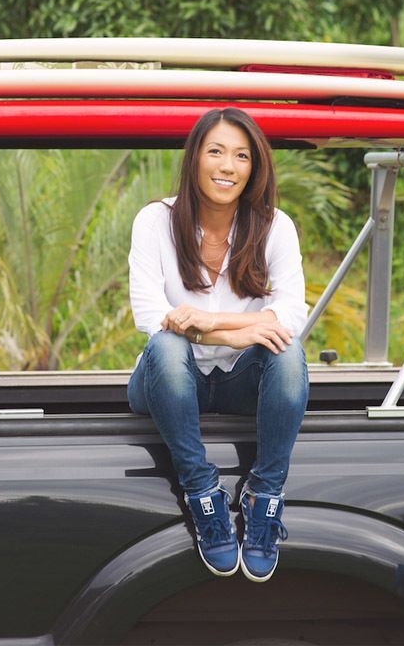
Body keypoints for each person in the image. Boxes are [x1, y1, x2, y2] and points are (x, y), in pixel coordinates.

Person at [127, 107, 309, 582]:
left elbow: (291, 315)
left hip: (238, 382)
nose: (228, 166)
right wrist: (239, 331)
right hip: (168, 382)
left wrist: (212, 321)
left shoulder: (275, 226)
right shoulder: (155, 220)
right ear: (195, 158)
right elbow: (151, 317)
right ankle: (201, 490)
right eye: (216, 152)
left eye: (241, 156)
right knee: (167, 346)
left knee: (288, 352)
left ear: (254, 167)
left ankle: (265, 494)